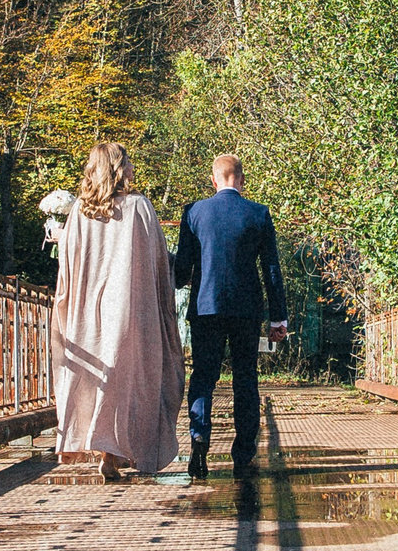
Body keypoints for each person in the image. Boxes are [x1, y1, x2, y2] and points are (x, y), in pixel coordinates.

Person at [51, 142, 184, 480]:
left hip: (88, 313)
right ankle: (120, 448)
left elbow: (66, 265)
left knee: (98, 377)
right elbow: (158, 260)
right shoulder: (139, 207)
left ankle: (106, 449)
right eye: (127, 163)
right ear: (117, 168)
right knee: (132, 379)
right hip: (130, 308)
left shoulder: (79, 212)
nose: (132, 169)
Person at [173, 153, 287, 479]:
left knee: (203, 377)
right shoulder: (258, 214)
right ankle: (244, 455)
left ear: (214, 180)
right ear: (242, 179)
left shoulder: (194, 212)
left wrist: (180, 276)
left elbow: (182, 268)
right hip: (246, 310)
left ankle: (199, 437)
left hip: (205, 307)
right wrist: (278, 319)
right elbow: (271, 270)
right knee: (245, 380)